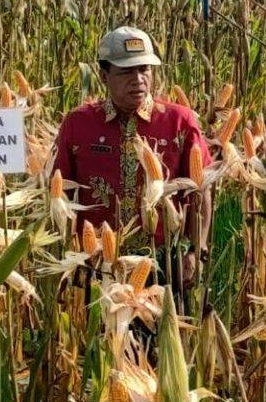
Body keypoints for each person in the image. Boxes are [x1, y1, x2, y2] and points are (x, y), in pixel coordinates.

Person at [52, 26, 212, 286]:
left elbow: (202, 189)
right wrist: (72, 256)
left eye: (144, 70)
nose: (138, 79)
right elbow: (62, 194)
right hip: (97, 263)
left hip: (166, 265)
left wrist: (197, 251)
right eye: (126, 71)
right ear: (104, 76)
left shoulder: (179, 121)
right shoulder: (78, 124)